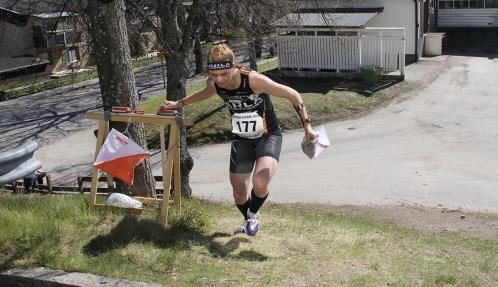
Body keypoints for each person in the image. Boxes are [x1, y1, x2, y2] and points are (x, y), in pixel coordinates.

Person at [162, 43, 317, 236]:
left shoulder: (254, 80)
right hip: (241, 138)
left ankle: (252, 215)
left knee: (260, 182)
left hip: (267, 136)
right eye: (214, 75)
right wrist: (179, 104)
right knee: (238, 192)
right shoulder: (215, 84)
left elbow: (293, 95)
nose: (220, 80)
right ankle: (250, 218)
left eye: (224, 74)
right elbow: (204, 93)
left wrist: (307, 126)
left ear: (234, 67)